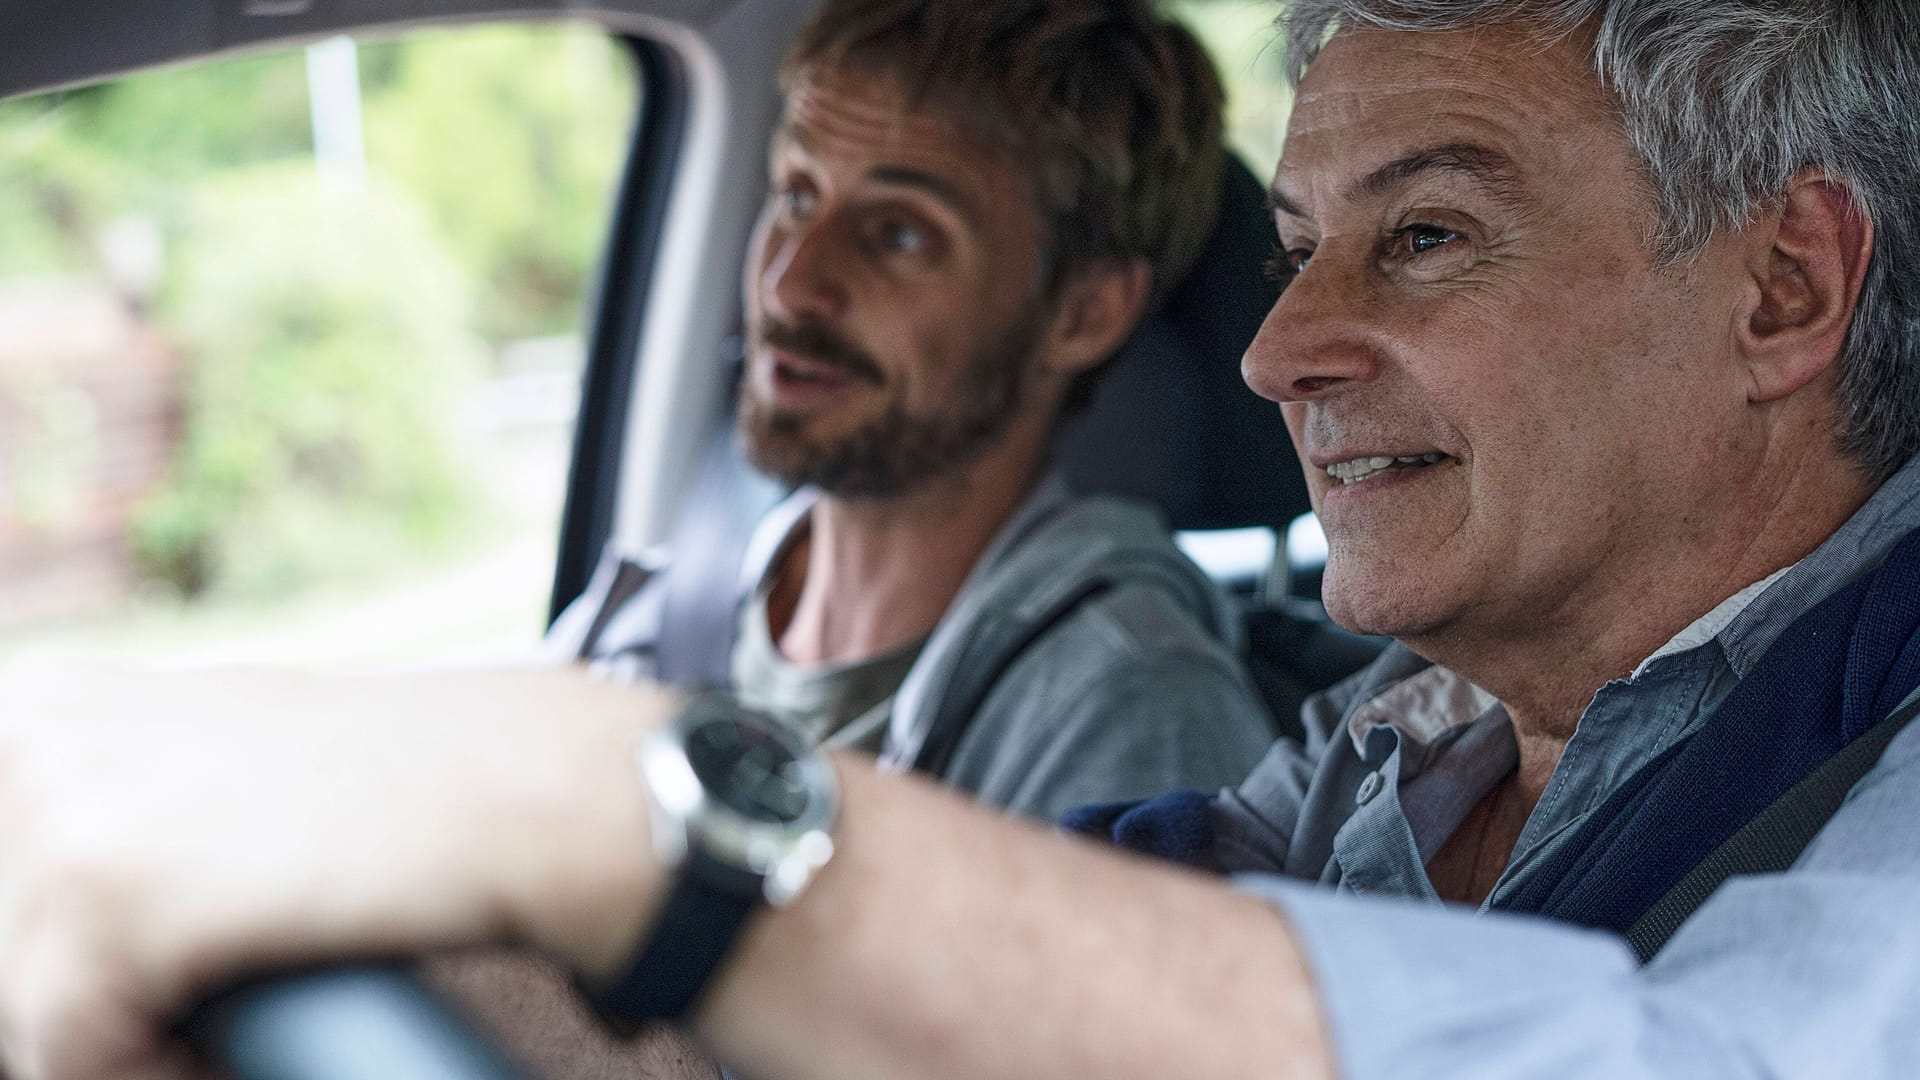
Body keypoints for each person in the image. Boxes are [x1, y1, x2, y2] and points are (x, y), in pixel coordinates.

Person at [5, 2, 1920, 1079]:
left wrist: (606, 805)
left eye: (1422, 236)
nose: (1271, 352)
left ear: (1780, 290)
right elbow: (977, 996)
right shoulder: (1379, 751)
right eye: (1293, 253)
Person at [548, 0, 1275, 823]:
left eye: (899, 235)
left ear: (1084, 312)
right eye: (794, 195)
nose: (791, 283)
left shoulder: (1132, 715)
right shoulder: (670, 611)